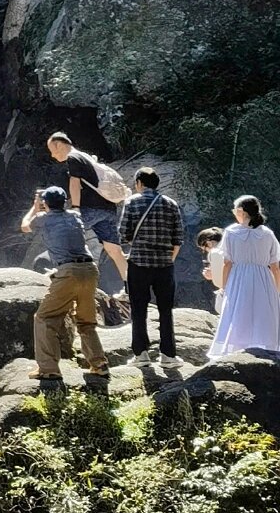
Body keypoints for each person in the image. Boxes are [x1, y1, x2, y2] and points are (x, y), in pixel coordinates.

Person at [21, 185, 107, 394]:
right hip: (90, 269)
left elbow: (24, 226)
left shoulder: (44, 218)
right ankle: (99, 365)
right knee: (86, 320)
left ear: (46, 203)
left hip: (68, 272)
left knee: (45, 318)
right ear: (65, 201)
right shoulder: (75, 216)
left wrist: (34, 207)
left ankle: (49, 369)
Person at [47, 133, 130, 318]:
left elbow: (74, 183)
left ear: (60, 145)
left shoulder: (73, 157)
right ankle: (130, 288)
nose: (53, 155)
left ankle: (61, 272)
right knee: (114, 250)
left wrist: (75, 208)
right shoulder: (85, 157)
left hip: (90, 207)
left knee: (65, 233)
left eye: (52, 150)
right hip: (108, 209)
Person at [116, 166, 182, 361]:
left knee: (138, 309)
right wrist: (169, 259)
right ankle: (168, 355)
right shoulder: (171, 204)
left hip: (138, 264)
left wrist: (137, 244)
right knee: (165, 310)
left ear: (139, 183)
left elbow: (123, 233)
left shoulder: (132, 202)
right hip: (164, 265)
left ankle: (141, 354)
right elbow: (178, 238)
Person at [208, 196, 280, 359]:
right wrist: (276, 290)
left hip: (239, 279)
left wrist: (224, 286)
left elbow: (227, 263)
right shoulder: (267, 234)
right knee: (263, 315)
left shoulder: (231, 233)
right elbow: (275, 266)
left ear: (241, 211)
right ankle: (267, 352)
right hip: (263, 279)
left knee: (238, 313)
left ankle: (236, 352)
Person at [198, 224, 225, 313]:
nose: (206, 252)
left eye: (204, 249)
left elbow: (223, 282)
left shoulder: (216, 253)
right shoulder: (234, 248)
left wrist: (214, 276)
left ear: (209, 243)